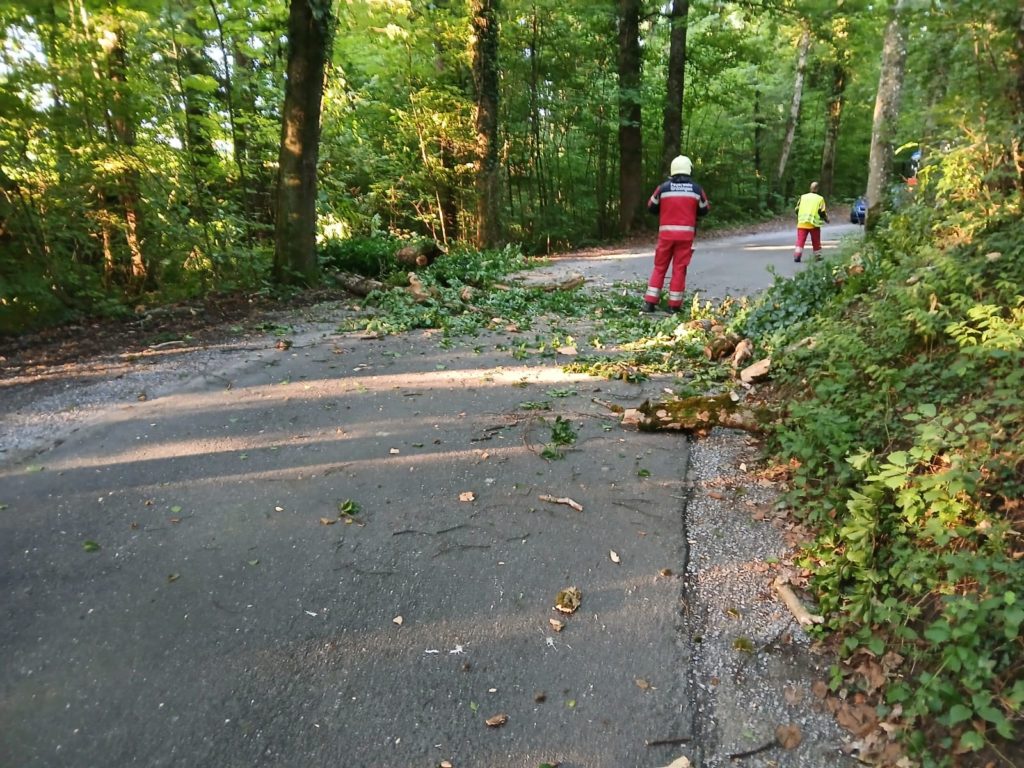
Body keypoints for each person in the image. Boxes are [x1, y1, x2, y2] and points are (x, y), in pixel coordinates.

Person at [642, 155, 710, 313]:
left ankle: (649, 303)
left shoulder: (663, 188)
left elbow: (651, 206)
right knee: (679, 269)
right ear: (689, 169)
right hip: (685, 237)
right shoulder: (696, 189)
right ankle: (674, 306)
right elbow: (705, 209)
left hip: (665, 236)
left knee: (659, 267)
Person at [793, 181, 828, 262]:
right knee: (816, 241)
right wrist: (826, 219)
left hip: (802, 222)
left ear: (810, 188)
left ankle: (797, 256)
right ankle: (817, 256)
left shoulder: (803, 197)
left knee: (800, 240)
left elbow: (797, 209)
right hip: (814, 224)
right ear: (817, 189)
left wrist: (799, 216)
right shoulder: (820, 198)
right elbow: (822, 212)